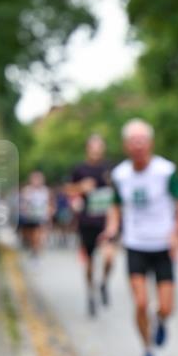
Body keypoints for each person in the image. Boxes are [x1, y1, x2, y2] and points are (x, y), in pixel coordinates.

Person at [101, 119, 178, 356]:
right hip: (136, 245)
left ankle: (160, 321)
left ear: (149, 143)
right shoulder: (120, 175)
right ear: (126, 145)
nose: (138, 145)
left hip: (162, 245)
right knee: (140, 303)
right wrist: (112, 227)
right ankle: (148, 351)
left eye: (142, 140)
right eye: (133, 140)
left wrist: (177, 232)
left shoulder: (165, 171)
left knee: (166, 307)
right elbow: (115, 206)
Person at [68, 134, 117, 317]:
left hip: (106, 221)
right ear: (87, 148)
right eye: (93, 147)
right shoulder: (79, 169)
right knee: (89, 263)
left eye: (99, 147)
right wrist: (81, 187)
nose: (96, 150)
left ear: (103, 149)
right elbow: (68, 190)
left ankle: (104, 282)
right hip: (87, 221)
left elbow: (116, 195)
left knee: (109, 258)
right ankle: (90, 292)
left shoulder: (109, 168)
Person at [17, 171, 52, 258]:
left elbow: (50, 203)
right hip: (29, 216)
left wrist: (49, 213)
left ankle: (37, 251)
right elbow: (22, 203)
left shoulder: (45, 191)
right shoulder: (27, 190)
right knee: (31, 235)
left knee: (38, 235)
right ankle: (33, 248)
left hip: (41, 216)